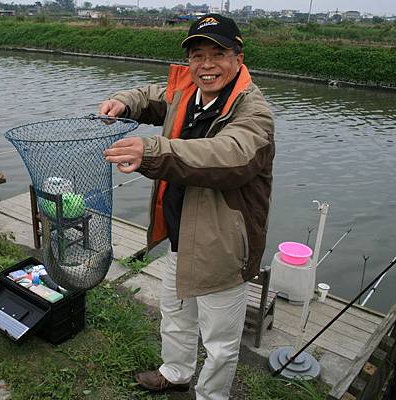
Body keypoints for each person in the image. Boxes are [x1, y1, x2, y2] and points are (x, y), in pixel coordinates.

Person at [100, 14, 274, 400]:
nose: (207, 65)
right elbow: (150, 96)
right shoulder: (186, 92)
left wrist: (151, 151)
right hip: (182, 235)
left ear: (238, 58)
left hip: (223, 247)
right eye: (198, 55)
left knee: (220, 343)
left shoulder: (254, 112)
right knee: (176, 313)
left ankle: (211, 396)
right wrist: (123, 103)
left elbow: (231, 155)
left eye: (218, 54)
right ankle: (175, 373)